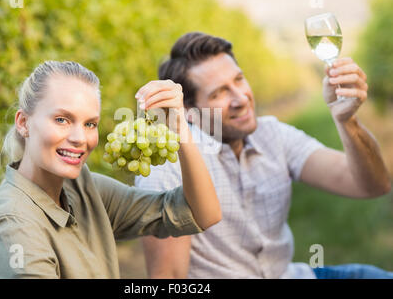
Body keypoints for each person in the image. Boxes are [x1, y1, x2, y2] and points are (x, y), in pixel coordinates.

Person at [135, 32, 392, 279]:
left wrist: (347, 120)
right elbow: (168, 278)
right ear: (188, 111)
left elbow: (373, 185)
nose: (240, 98)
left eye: (238, 80)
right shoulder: (168, 167)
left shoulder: (273, 134)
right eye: (219, 93)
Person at [0, 60, 221, 278]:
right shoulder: (12, 224)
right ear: (24, 123)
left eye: (90, 123)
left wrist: (180, 130)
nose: (80, 138)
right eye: (62, 119)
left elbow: (203, 214)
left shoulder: (85, 189)